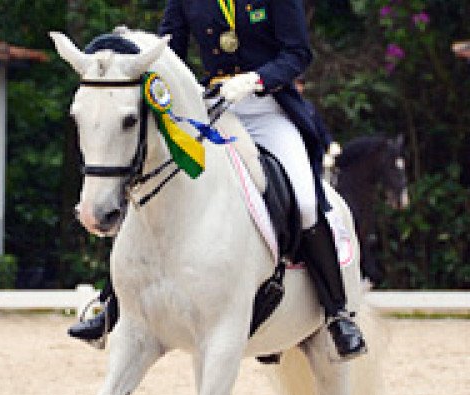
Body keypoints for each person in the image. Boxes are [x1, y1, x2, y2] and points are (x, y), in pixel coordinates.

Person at [69, 0, 366, 360]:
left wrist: (256, 79)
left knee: (304, 201)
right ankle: (110, 306)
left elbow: (297, 53)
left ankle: (337, 314)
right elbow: (168, 52)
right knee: (150, 188)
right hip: (211, 110)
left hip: (270, 111)